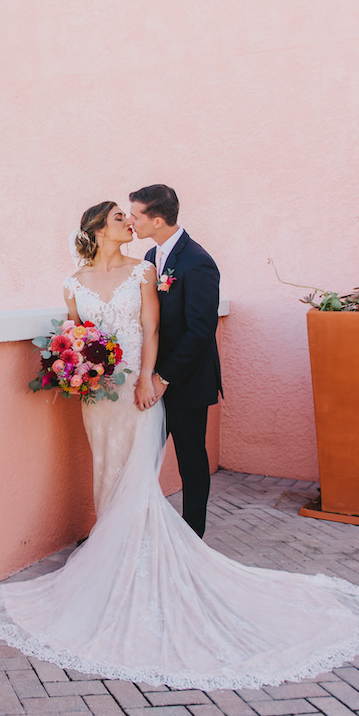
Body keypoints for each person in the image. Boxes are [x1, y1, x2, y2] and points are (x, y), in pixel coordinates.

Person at [0, 201, 359, 689]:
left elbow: (152, 328)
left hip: (139, 392)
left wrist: (149, 380)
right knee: (108, 469)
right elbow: (76, 334)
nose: (128, 222)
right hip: (97, 397)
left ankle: (139, 562)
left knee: (137, 473)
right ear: (97, 230)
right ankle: (110, 558)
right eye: (119, 218)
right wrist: (76, 370)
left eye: (132, 215)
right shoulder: (73, 282)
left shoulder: (144, 271)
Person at [128, 183, 221, 538]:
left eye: (136, 215)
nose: (132, 222)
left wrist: (162, 378)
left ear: (157, 218)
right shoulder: (152, 259)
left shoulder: (198, 262)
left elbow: (200, 331)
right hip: (154, 379)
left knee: (191, 460)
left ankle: (193, 535)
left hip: (186, 381)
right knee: (143, 457)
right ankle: (133, 527)